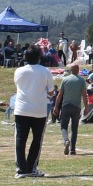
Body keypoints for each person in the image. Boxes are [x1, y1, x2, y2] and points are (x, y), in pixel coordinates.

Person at [12, 47, 55, 177]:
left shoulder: (19, 71)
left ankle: (21, 168)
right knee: (37, 140)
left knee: (20, 139)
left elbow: (19, 86)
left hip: (21, 109)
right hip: (39, 110)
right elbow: (51, 92)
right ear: (39, 57)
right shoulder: (45, 71)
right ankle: (31, 167)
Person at [55, 66, 85, 154]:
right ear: (78, 70)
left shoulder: (65, 80)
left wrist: (56, 106)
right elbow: (84, 95)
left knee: (64, 126)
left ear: (71, 71)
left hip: (66, 106)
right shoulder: (81, 80)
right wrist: (86, 107)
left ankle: (66, 140)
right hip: (76, 107)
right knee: (74, 128)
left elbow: (60, 95)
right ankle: (72, 149)